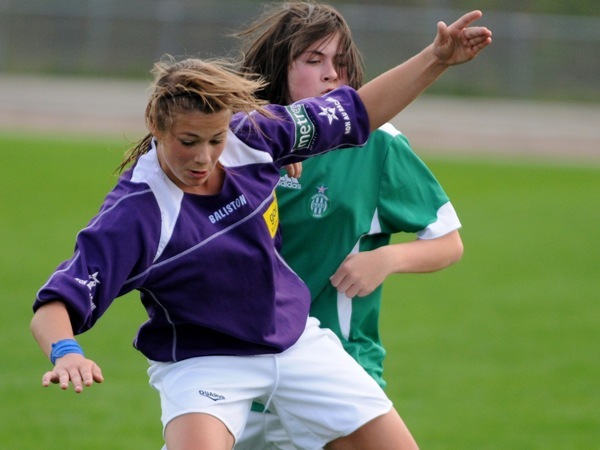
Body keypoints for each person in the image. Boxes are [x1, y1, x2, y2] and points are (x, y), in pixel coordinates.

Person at [30, 11, 491, 450]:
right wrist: (66, 352)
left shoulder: (253, 136)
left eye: (215, 140)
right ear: (157, 126)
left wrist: (437, 58)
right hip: (207, 362)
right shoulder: (136, 214)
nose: (204, 158)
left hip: (295, 344)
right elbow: (55, 303)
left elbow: (358, 110)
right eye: (188, 142)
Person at [233, 2, 468, 448]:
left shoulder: (377, 144)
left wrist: (387, 258)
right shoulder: (240, 144)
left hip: (338, 364)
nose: (330, 74)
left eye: (340, 61)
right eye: (313, 60)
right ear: (278, 66)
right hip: (240, 370)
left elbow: (448, 241)